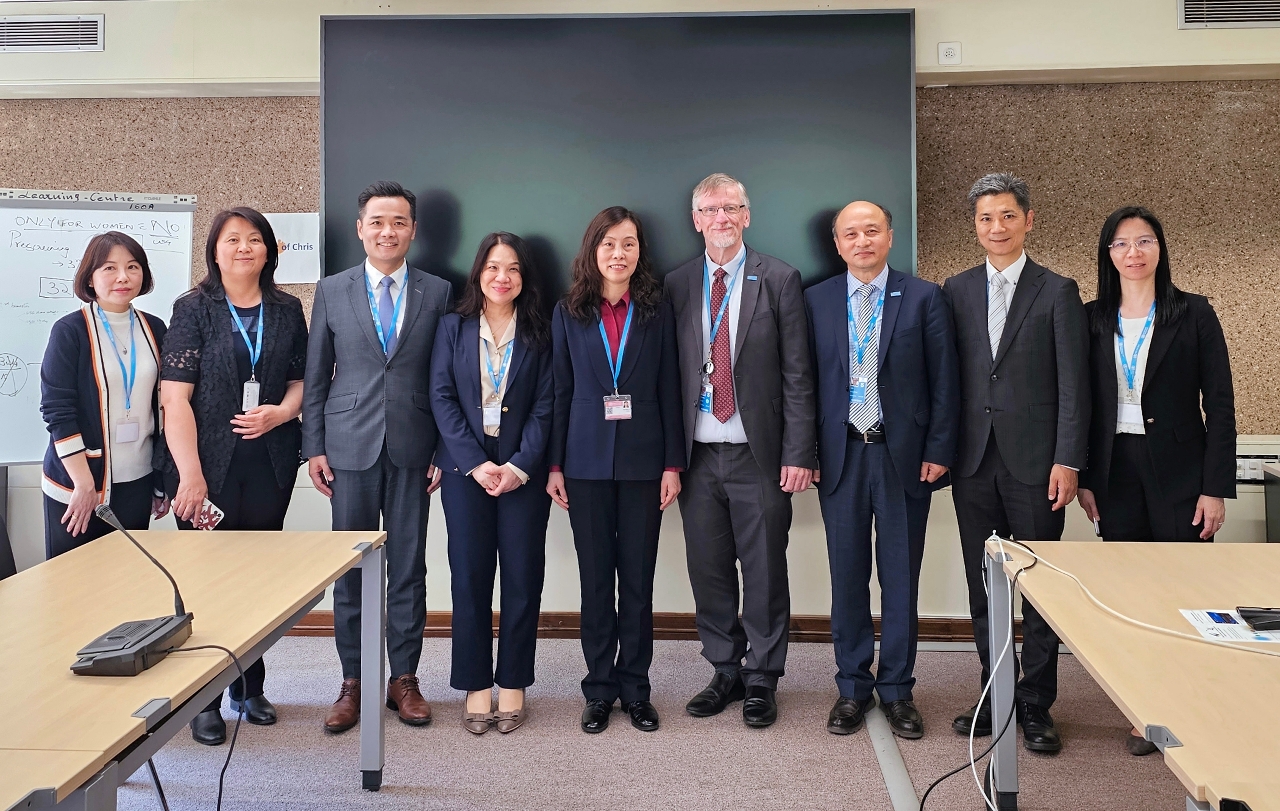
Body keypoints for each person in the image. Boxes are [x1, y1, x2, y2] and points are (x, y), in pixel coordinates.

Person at [1075, 206, 1235, 754]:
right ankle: (1145, 711)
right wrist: (1087, 478)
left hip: (1181, 471)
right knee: (1130, 593)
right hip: (1115, 468)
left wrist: (1215, 488)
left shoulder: (1193, 312)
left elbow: (1220, 404)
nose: (1133, 252)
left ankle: (1193, 703)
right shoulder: (1093, 317)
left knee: (1185, 591)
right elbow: (1083, 404)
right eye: (1121, 244)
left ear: (1160, 248)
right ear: (1108, 254)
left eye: (1144, 241)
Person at [942, 173, 1089, 754]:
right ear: (975, 226)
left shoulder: (1057, 290)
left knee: (1040, 588)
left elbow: (1075, 386)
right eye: (986, 218)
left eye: (1007, 215)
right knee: (984, 585)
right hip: (973, 461)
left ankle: (1035, 702)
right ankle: (995, 692)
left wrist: (1068, 459)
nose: (996, 227)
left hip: (1038, 465)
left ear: (1028, 220)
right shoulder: (955, 289)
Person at [662, 173, 816, 728]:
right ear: (696, 220)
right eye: (710, 209)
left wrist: (799, 453)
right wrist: (668, 459)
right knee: (708, 569)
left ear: (747, 216)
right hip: (698, 455)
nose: (721, 218)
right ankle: (724, 669)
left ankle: (763, 676)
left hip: (760, 454)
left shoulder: (779, 278)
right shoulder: (677, 283)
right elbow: (666, 377)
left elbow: (798, 374)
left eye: (731, 207)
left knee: (765, 568)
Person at [805, 201, 960, 739]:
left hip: (903, 457)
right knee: (846, 577)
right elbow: (802, 384)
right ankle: (852, 687)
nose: (862, 241)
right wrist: (807, 452)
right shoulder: (816, 300)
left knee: (900, 577)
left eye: (872, 231)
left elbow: (945, 382)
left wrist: (939, 449)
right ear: (837, 243)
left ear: (890, 237)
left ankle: (896, 689)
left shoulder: (924, 296)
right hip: (840, 456)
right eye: (851, 234)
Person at [303, 181, 452, 734]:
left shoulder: (439, 291)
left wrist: (443, 447)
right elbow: (316, 374)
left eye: (399, 222)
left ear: (413, 230)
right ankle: (353, 681)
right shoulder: (332, 290)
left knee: (409, 568)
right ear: (360, 228)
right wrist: (314, 446)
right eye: (377, 222)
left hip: (416, 445)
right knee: (351, 571)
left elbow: (449, 377)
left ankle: (404, 679)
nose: (388, 232)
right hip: (348, 446)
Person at [157, 207, 309, 745]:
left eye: (254, 239)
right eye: (232, 239)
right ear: (215, 251)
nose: (244, 247)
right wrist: (189, 475)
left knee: (257, 579)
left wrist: (281, 413)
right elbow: (175, 398)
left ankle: (249, 686)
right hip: (205, 465)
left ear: (269, 250)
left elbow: (301, 379)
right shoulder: (193, 308)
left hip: (270, 461)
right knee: (206, 582)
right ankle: (204, 700)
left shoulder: (287, 309)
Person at [546, 206, 685, 734]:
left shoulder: (657, 310)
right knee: (596, 581)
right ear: (592, 250)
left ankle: (637, 689)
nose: (618, 253)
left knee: (639, 582)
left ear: (640, 252)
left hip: (645, 463)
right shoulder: (568, 312)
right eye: (608, 244)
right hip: (583, 463)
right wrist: (554, 464)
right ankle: (600, 689)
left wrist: (672, 463)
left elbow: (670, 388)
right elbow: (560, 391)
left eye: (628, 244)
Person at [429, 233, 554, 735]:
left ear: (525, 277)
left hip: (523, 470)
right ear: (479, 272)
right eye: (494, 267)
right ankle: (476, 683)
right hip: (467, 470)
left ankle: (515, 681)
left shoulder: (541, 331)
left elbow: (547, 404)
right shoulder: (452, 327)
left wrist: (520, 466)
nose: (503, 277)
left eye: (514, 269)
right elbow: (441, 397)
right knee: (469, 577)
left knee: (523, 578)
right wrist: (475, 463)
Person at [40, 232, 169, 559]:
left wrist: (161, 480)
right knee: (74, 579)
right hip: (80, 482)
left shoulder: (156, 328)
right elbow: (57, 410)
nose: (123, 277)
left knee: (127, 578)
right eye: (110, 268)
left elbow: (164, 406)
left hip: (138, 480)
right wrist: (83, 484)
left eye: (132, 267)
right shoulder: (70, 331)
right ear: (90, 277)